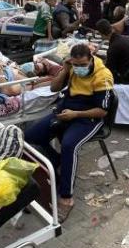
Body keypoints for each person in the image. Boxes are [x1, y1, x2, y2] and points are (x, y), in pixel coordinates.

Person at [25, 43, 113, 221]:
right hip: (67, 111)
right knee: (29, 138)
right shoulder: (71, 68)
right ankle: (57, 162)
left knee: (69, 146)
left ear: (90, 59)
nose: (79, 68)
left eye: (82, 65)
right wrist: (65, 68)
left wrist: (76, 114)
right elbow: (54, 88)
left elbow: (102, 111)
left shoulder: (103, 76)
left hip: (89, 117)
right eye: (75, 64)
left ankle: (67, 198)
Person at [96, 19, 129, 84]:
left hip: (126, 79)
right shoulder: (124, 38)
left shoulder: (113, 47)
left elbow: (109, 71)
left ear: (101, 34)